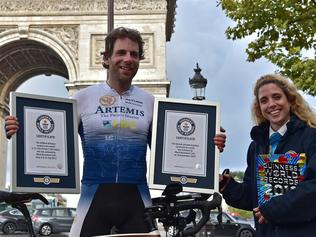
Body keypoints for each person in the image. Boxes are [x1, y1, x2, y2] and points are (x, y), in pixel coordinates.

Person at [5, 27, 226, 237]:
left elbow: (171, 149)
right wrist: (21, 129)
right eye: (121, 52)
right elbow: (52, 138)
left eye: (134, 54)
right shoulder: (82, 99)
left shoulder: (150, 103)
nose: (128, 58)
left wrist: (207, 143)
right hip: (93, 196)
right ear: (106, 58)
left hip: (137, 197)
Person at [220, 74, 316, 237]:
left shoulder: (311, 136)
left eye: (277, 97)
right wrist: (227, 187)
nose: (271, 104)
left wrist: (273, 209)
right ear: (259, 108)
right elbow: (254, 198)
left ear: (290, 100)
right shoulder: (256, 146)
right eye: (264, 100)